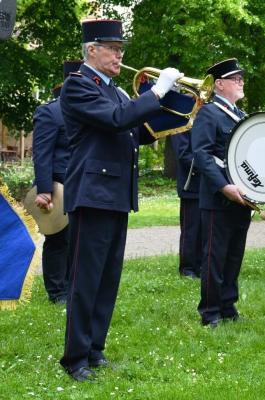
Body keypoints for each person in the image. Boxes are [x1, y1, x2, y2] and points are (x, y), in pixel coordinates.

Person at [59, 19, 182, 382]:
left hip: (114, 193)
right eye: (113, 48)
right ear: (92, 49)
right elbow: (116, 121)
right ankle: (75, 358)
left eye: (121, 49)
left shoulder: (114, 91)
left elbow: (136, 132)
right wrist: (156, 92)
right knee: (85, 280)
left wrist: (174, 102)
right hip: (92, 193)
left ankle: (95, 349)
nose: (119, 54)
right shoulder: (78, 86)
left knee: (107, 278)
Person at [191, 58, 251, 328]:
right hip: (218, 198)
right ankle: (210, 311)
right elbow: (201, 155)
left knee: (234, 254)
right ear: (219, 84)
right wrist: (223, 187)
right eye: (235, 78)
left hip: (242, 197)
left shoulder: (241, 117)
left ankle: (228, 304)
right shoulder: (209, 113)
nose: (240, 82)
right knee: (215, 256)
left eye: (241, 78)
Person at [32, 60, 82, 304]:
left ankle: (73, 285)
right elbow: (42, 154)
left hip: (84, 184)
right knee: (58, 239)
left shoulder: (86, 108)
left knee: (79, 238)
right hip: (59, 186)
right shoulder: (50, 111)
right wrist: (44, 190)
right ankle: (57, 291)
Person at [170, 131, 202, 278]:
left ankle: (201, 266)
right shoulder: (182, 123)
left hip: (207, 185)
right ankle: (187, 268)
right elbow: (184, 154)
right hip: (191, 185)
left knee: (205, 229)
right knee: (191, 230)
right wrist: (208, 166)